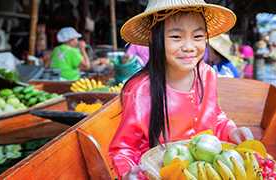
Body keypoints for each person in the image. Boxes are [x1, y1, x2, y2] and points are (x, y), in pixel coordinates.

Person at [108, 0, 254, 179]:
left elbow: (215, 117)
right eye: (176, 37)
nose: (189, 47)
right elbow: (124, 149)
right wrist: (128, 173)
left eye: (198, 37)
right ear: (155, 39)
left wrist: (231, 131)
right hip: (158, 173)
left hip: (203, 171)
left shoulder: (207, 74)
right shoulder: (140, 90)